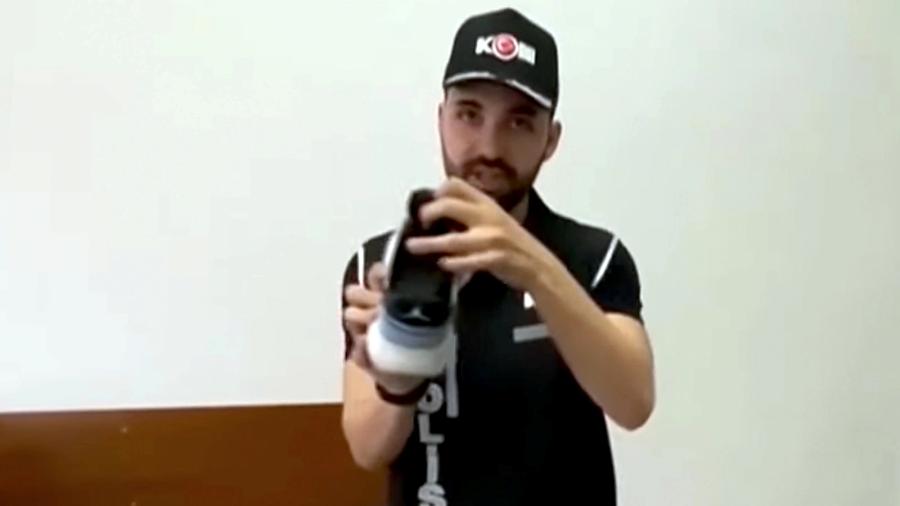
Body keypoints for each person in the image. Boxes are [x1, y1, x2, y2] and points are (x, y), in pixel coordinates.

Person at [339, 7, 655, 505]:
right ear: (441, 119)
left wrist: (530, 265)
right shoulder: (385, 262)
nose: (489, 146)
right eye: (469, 114)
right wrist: (398, 382)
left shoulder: (594, 257)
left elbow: (633, 403)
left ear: (550, 140)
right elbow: (366, 448)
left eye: (519, 122)